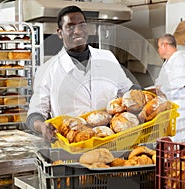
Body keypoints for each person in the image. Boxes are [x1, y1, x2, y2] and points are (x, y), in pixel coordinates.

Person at [26, 5, 139, 142]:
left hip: (111, 141)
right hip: (73, 145)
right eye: (70, 26)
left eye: (82, 25)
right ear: (60, 33)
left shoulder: (107, 58)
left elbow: (128, 91)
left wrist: (147, 95)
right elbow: (34, 114)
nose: (78, 31)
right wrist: (42, 126)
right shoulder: (47, 70)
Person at [154, 33, 185, 142]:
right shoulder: (168, 62)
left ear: (165, 45)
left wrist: (160, 88)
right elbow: (160, 82)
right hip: (168, 109)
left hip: (177, 109)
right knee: (167, 143)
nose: (158, 50)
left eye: (158, 46)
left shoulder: (179, 60)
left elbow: (177, 83)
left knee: (178, 143)